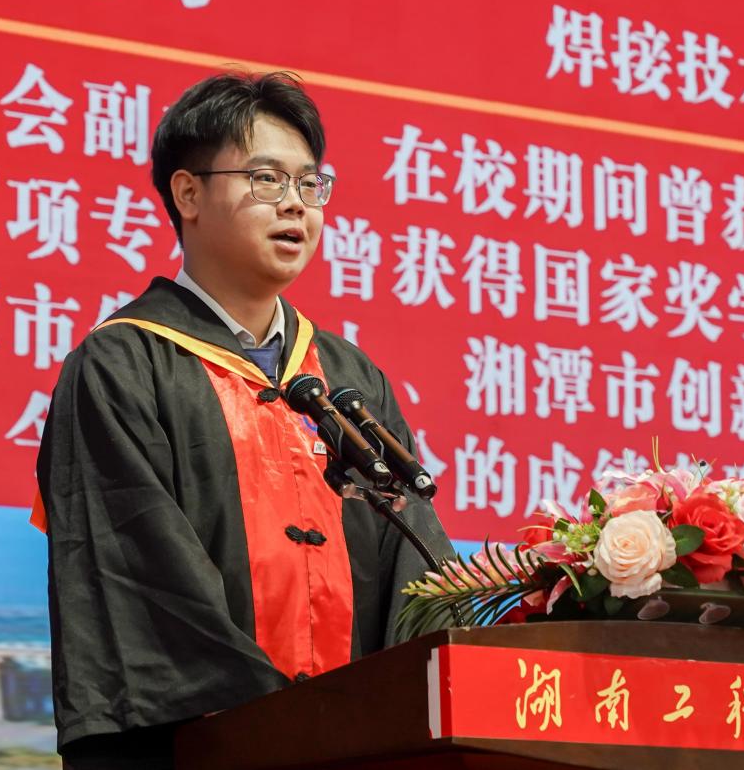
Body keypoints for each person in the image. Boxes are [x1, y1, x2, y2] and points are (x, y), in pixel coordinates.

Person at [35, 71, 453, 769]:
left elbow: (418, 566)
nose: (295, 203)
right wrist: (291, 726)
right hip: (200, 750)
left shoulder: (348, 378)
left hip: (360, 751)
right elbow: (140, 580)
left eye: (310, 184)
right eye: (266, 179)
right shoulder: (123, 365)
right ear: (188, 194)